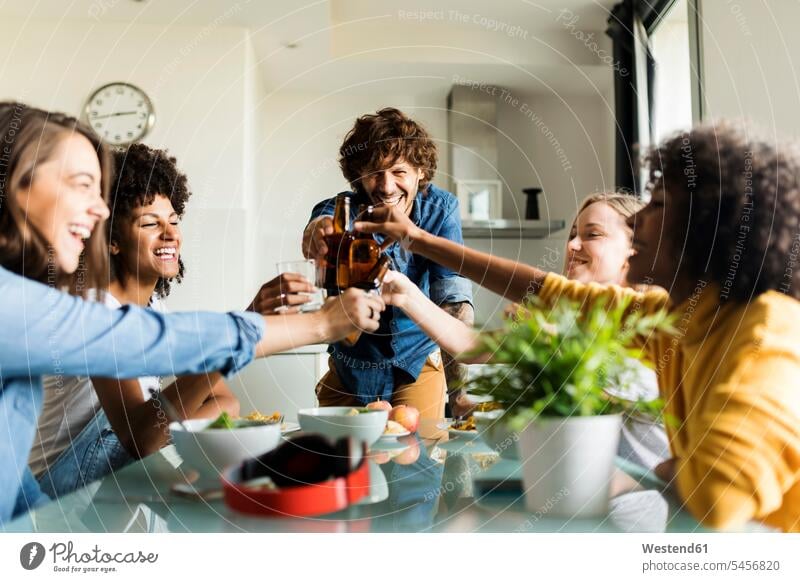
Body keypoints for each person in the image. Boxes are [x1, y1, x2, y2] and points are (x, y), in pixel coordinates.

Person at [359, 122, 800, 532]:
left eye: (660, 205)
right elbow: (538, 288)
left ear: (706, 228)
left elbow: (719, 496)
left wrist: (667, 469)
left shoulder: (765, 331)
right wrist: (414, 239)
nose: (639, 219)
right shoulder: (666, 316)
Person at [0, 101, 384, 523]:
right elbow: (138, 359)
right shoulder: (29, 306)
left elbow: (14, 483)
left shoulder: (34, 299)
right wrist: (316, 323)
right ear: (18, 186)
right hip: (74, 484)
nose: (100, 209)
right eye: (80, 184)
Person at [31, 143, 315, 497]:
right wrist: (241, 328)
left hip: (112, 481)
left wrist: (173, 425)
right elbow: (143, 440)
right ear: (113, 241)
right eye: (150, 223)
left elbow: (225, 401)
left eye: (174, 221)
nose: (170, 234)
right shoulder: (96, 310)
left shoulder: (153, 311)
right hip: (58, 490)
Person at [382, 193, 670, 469]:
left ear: (636, 248)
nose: (572, 245)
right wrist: (406, 295)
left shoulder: (654, 318)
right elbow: (472, 346)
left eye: (592, 234)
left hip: (647, 501)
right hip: (580, 489)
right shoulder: (567, 323)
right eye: (572, 234)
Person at [302, 108, 474, 419]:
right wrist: (317, 231)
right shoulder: (345, 208)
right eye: (374, 172)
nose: (386, 186)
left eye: (399, 172)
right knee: (339, 463)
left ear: (420, 171)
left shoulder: (441, 211)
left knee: (416, 459)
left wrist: (459, 394)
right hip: (350, 371)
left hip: (415, 366)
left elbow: (452, 301)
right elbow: (323, 218)